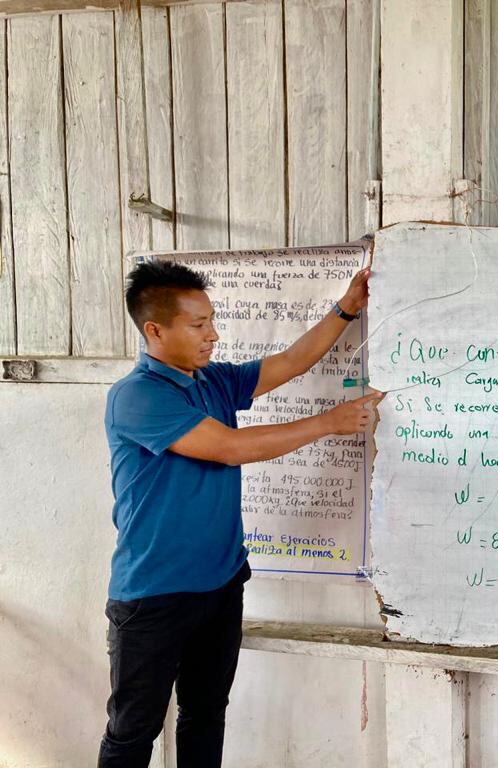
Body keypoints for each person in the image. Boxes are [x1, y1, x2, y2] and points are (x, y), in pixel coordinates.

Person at [97, 260, 382, 767]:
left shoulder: (213, 382)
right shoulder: (137, 397)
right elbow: (229, 447)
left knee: (205, 714)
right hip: (153, 597)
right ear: (155, 330)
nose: (214, 334)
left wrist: (347, 307)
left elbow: (293, 361)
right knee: (132, 732)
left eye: (211, 320)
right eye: (199, 325)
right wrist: (328, 422)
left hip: (221, 586)